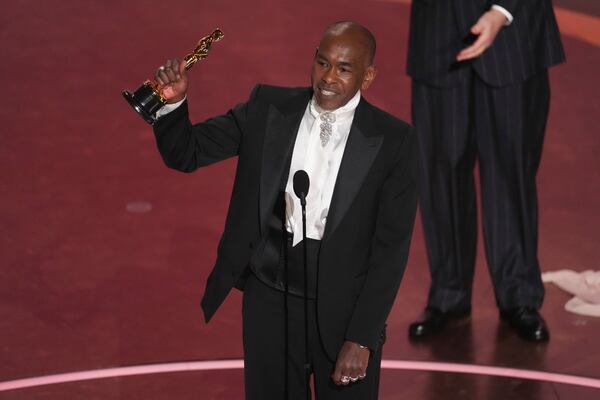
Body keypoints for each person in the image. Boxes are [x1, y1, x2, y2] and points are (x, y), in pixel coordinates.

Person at [150, 21, 418, 399]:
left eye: (344, 68)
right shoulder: (268, 108)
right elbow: (187, 153)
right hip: (270, 298)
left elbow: (391, 251)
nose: (328, 77)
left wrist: (363, 336)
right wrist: (173, 103)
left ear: (368, 76)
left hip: (344, 310)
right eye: (323, 63)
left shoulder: (394, 141)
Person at [406, 0, 565, 342]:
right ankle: (448, 294)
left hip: (515, 35)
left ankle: (518, 296)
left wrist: (501, 11)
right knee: (441, 173)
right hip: (438, 34)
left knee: (512, 174)